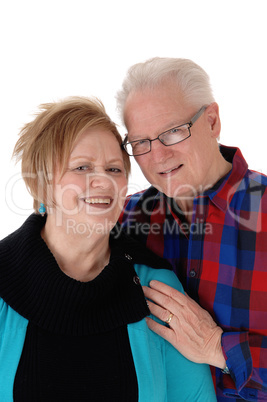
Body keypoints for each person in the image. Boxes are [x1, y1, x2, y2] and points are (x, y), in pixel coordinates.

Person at [0, 97, 216, 401]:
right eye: (82, 166)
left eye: (114, 169)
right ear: (43, 183)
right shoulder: (4, 277)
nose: (102, 181)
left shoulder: (156, 286)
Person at [117, 57, 267, 401]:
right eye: (141, 142)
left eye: (172, 131)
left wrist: (219, 348)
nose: (157, 156)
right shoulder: (124, 219)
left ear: (212, 121)